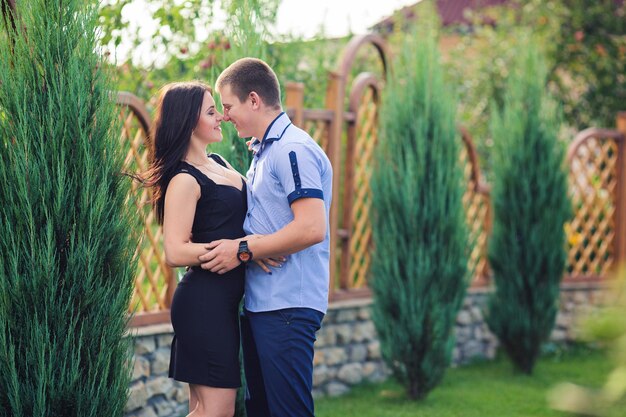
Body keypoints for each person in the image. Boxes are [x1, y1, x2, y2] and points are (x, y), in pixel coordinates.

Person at [198, 58, 333, 417]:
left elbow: (310, 227)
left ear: (254, 100)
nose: (224, 116)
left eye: (228, 106)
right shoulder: (265, 150)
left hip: (287, 305)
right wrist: (253, 247)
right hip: (264, 305)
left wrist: (244, 249)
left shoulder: (292, 149)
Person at [145, 81, 249, 417]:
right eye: (211, 111)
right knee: (218, 411)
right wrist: (234, 250)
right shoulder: (184, 180)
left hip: (223, 304)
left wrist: (255, 247)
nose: (221, 116)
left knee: (204, 410)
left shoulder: (219, 162)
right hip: (204, 304)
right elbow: (175, 251)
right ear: (190, 121)